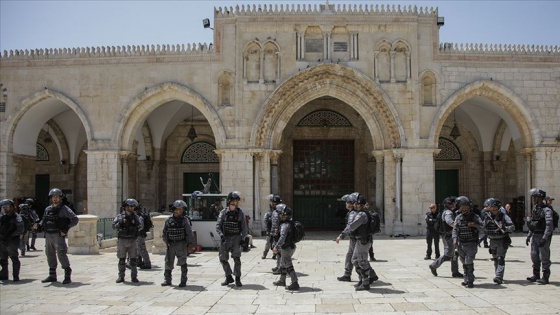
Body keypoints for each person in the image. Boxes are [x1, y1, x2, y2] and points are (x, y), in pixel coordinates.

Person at [35, 188, 79, 284]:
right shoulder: (48, 209)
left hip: (58, 235)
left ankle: (67, 273)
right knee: (49, 254)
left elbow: (75, 219)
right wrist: (39, 225)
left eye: (57, 197)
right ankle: (52, 275)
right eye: (53, 197)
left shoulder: (64, 209)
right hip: (48, 235)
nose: (55, 199)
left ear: (60, 198)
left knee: (61, 254)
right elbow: (44, 220)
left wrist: (66, 229)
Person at [215, 191, 247, 287]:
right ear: (229, 202)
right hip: (225, 238)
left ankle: (237, 278)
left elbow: (244, 227)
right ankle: (228, 276)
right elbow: (218, 226)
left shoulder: (240, 213)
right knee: (223, 258)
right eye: (233, 202)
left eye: (236, 202)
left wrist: (243, 239)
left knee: (237, 259)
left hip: (236, 238)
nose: (235, 204)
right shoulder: (223, 212)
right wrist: (221, 235)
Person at [161, 200, 196, 287]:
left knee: (182, 262)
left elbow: (189, 232)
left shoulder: (185, 220)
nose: (180, 211)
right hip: (171, 245)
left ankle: (183, 280)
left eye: (181, 209)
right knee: (168, 262)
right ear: (174, 209)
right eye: (178, 209)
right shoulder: (168, 220)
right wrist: (167, 242)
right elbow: (164, 233)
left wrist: (190, 244)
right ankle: (167, 280)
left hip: (181, 244)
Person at [480, 198, 515, 284]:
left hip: (501, 240)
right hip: (492, 240)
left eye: (492, 207)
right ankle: (497, 274)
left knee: (500, 258)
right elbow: (482, 226)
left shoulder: (504, 216)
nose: (490, 208)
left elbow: (512, 227)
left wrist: (504, 228)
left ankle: (499, 276)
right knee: (495, 258)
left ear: (496, 207)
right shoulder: (488, 216)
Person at [452, 196, 483, 288]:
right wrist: (454, 239)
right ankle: (466, 279)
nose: (464, 208)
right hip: (461, 243)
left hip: (471, 243)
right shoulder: (458, 217)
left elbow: (483, 227)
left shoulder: (475, 217)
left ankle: (470, 280)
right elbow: (455, 229)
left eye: (465, 206)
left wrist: (475, 225)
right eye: (462, 206)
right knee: (464, 262)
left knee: (468, 260)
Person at [429, 196, 463, 278]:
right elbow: (449, 222)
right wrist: (458, 226)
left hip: (448, 235)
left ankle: (455, 271)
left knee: (455, 253)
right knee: (448, 254)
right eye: (454, 203)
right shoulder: (448, 213)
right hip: (449, 235)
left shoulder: (446, 211)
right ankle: (434, 265)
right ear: (450, 204)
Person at [525, 188, 554, 284]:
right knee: (534, 255)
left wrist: (545, 238)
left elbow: (549, 225)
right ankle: (536, 274)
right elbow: (533, 223)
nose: (534, 199)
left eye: (535, 197)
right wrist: (529, 235)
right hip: (535, 235)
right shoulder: (535, 208)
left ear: (540, 198)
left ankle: (545, 276)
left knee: (544, 256)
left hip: (543, 236)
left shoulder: (547, 210)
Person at [113, 198, 143, 283]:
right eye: (129, 207)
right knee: (121, 259)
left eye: (132, 207)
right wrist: (121, 222)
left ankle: (134, 277)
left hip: (132, 240)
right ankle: (121, 276)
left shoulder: (136, 217)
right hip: (122, 240)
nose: (130, 209)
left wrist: (135, 224)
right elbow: (114, 226)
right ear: (125, 207)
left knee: (133, 260)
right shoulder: (119, 216)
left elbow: (141, 226)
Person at [272, 204, 299, 290]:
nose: (279, 216)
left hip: (286, 248)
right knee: (283, 264)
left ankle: (295, 282)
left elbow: (282, 237)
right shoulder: (288, 223)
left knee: (288, 265)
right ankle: (282, 280)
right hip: (290, 247)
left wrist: (276, 247)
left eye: (280, 214)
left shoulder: (284, 225)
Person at [335, 192, 359, 282]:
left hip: (356, 238)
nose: (345, 204)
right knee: (351, 256)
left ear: (351, 204)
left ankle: (370, 275)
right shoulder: (352, 212)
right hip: (354, 238)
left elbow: (350, 226)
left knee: (357, 258)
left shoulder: (352, 213)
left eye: (347, 202)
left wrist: (341, 235)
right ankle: (347, 274)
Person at [0, 199, 24, 281]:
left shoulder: (17, 217)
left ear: (12, 207)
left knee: (14, 258)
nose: (5, 209)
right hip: (3, 241)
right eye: (4, 207)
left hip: (12, 241)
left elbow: (20, 229)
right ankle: (4, 275)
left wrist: (10, 236)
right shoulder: (3, 217)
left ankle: (15, 276)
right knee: (3, 259)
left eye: (7, 207)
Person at [262, 194, 281, 259]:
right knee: (268, 243)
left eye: (275, 204)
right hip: (270, 230)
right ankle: (265, 253)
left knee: (276, 243)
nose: (273, 205)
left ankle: (275, 254)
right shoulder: (269, 213)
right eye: (272, 203)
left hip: (277, 230)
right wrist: (267, 230)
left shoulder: (280, 212)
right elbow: (265, 221)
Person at [135, 204, 152, 269]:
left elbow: (141, 227)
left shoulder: (139, 217)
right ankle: (139, 262)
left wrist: (134, 229)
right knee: (138, 249)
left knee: (142, 249)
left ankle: (147, 264)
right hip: (139, 235)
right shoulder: (138, 216)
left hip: (140, 235)